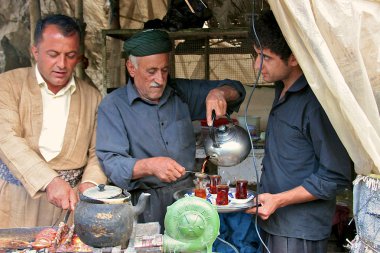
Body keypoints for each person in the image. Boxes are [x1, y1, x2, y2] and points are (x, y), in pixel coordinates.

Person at [96, 29, 246, 233]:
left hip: (185, 199)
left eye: (164, 70)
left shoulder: (180, 93)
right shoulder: (113, 106)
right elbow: (111, 162)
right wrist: (149, 166)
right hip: (142, 204)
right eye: (151, 72)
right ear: (131, 67)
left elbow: (237, 89)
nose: (160, 79)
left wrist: (219, 92)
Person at [245, 11, 352, 253]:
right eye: (256, 54)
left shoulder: (316, 104)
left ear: (294, 58)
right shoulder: (282, 90)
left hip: (299, 231)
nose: (256, 64)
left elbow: (336, 176)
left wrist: (278, 200)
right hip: (273, 222)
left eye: (265, 57)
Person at [0, 14, 107, 228]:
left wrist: (90, 183)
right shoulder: (7, 85)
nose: (62, 64)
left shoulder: (92, 96)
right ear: (35, 51)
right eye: (53, 54)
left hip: (70, 207)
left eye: (70, 55)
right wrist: (49, 180)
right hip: (15, 200)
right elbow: (6, 138)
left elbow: (99, 152)